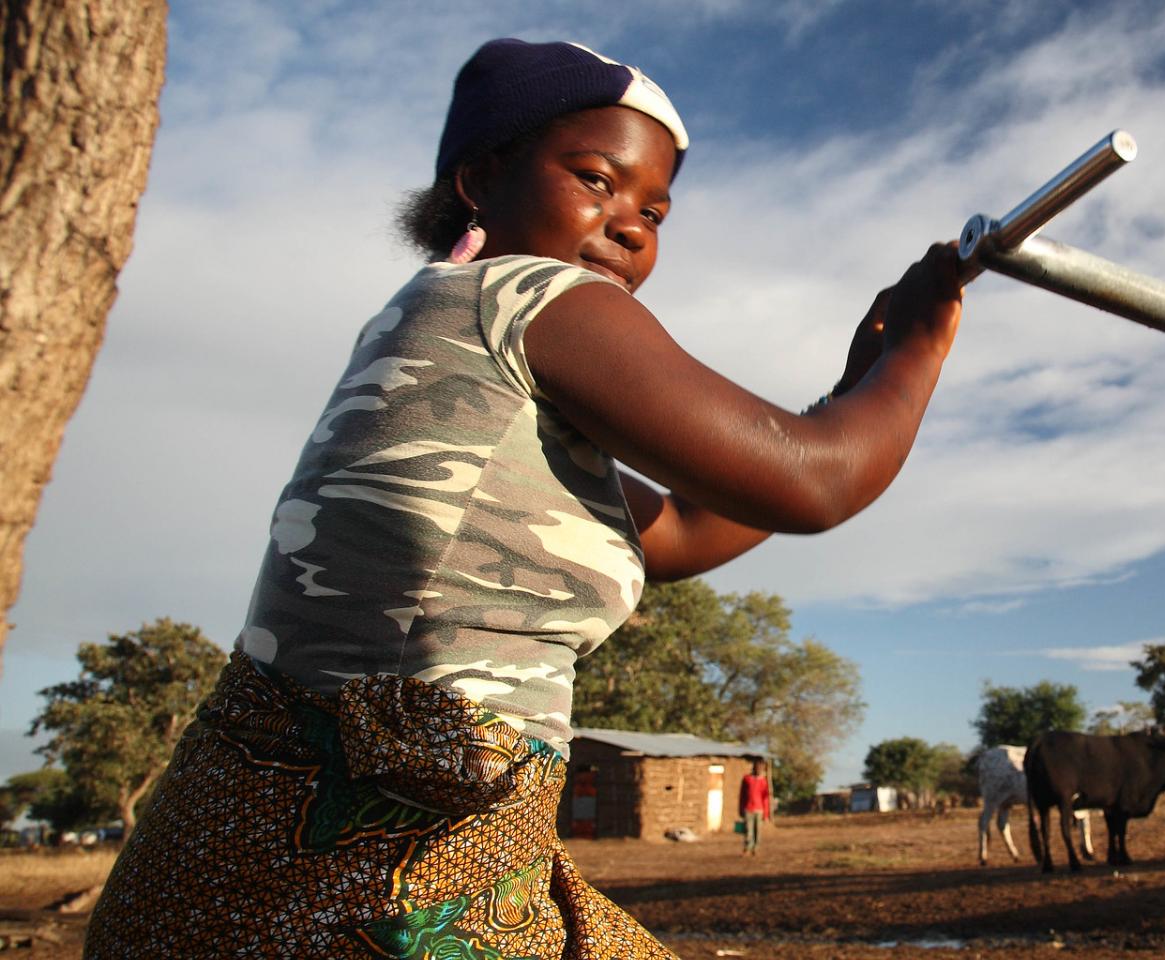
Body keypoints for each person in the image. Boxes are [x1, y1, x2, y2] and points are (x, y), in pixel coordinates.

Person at [84, 38, 962, 960]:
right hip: (367, 874)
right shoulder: (526, 296)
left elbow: (686, 528)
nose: (630, 225)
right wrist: (918, 349)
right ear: (480, 178)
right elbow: (813, 481)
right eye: (596, 179)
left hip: (267, 852)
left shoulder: (456, 339)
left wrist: (850, 391)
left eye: (654, 210)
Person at [740, 759, 773, 856]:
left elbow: (765, 799)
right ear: (753, 767)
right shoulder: (747, 779)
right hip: (748, 809)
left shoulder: (763, 781)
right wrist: (741, 808)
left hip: (759, 810)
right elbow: (742, 795)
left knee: (757, 831)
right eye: (757, 766)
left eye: (760, 767)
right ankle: (747, 848)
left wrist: (766, 814)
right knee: (748, 830)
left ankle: (756, 848)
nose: (758, 769)